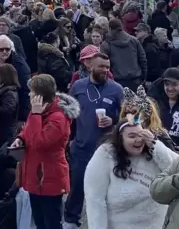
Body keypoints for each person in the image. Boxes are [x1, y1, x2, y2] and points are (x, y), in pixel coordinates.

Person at [84, 115, 178, 228]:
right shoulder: (106, 154)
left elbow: (177, 170)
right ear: (120, 138)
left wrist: (155, 145)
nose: (138, 140)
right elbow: (95, 199)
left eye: (140, 135)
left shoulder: (154, 152)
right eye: (131, 136)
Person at [65, 50, 123, 228]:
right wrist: (69, 139)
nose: (105, 70)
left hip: (107, 148)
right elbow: (70, 115)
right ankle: (70, 220)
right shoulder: (78, 87)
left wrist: (112, 120)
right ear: (90, 66)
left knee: (106, 189)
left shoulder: (117, 89)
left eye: (107, 67)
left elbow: (126, 118)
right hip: (82, 146)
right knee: (76, 186)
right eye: (101, 67)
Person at [13, 74, 80, 229]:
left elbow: (39, 143)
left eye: (32, 92)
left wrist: (36, 114)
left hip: (49, 178)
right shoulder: (38, 111)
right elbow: (29, 131)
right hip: (34, 175)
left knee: (51, 222)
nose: (29, 94)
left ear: (40, 95)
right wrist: (21, 139)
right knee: (39, 221)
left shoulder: (58, 118)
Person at [0, 34, 31, 122]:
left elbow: (26, 91)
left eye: (7, 49)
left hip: (13, 113)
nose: (4, 51)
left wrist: (23, 118)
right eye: (1, 49)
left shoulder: (20, 64)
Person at [100, 18, 146, 91]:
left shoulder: (106, 44)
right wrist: (144, 76)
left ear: (110, 28)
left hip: (116, 82)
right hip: (135, 80)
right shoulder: (134, 40)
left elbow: (103, 64)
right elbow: (142, 59)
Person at [0, 63, 20, 146]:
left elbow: (7, 111)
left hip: (6, 132)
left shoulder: (10, 93)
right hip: (2, 129)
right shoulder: (3, 90)